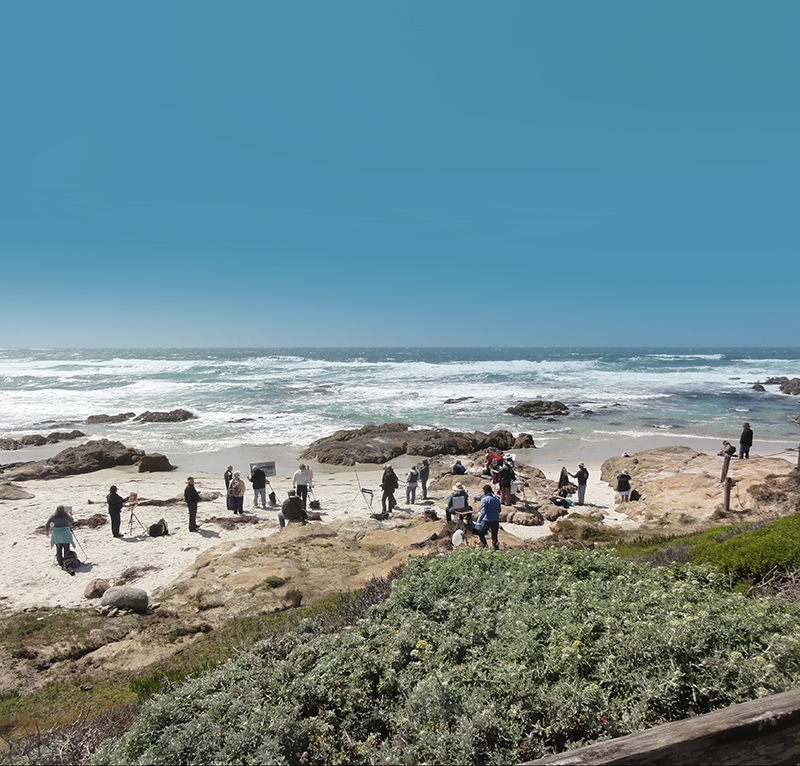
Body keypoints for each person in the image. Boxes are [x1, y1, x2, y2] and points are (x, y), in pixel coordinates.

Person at [476, 484, 501, 551]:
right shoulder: (496, 499)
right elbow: (499, 510)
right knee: (494, 536)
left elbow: (483, 512)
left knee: (481, 534)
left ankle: (485, 547)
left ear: (485, 491)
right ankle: (496, 550)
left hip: (487, 520)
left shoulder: (484, 500)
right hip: (496, 520)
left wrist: (478, 521)